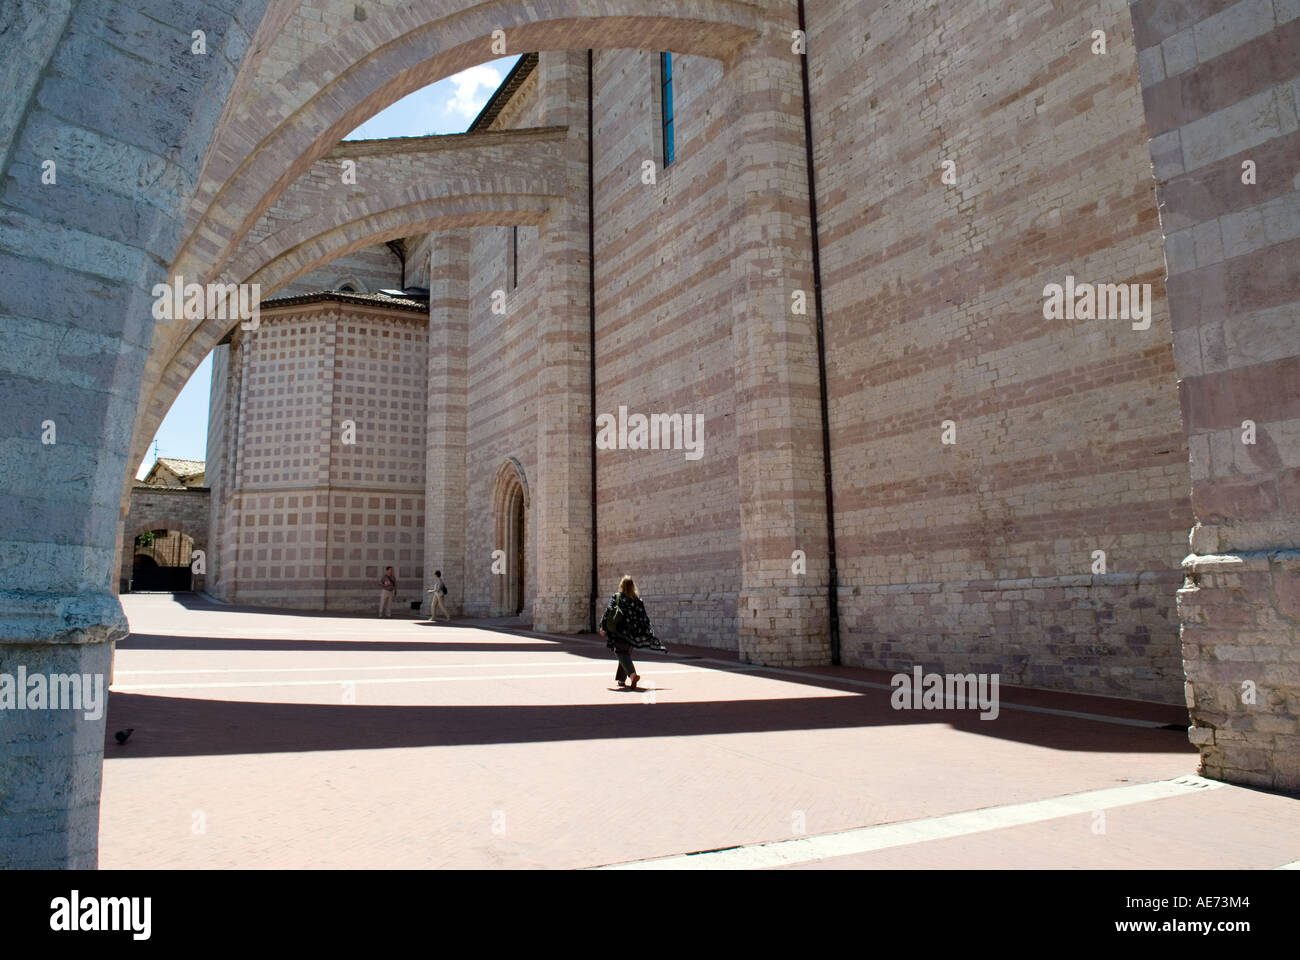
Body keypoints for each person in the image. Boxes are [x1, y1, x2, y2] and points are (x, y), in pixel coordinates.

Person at [597, 574, 665, 690]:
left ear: (621, 585)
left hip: (619, 631)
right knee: (625, 653)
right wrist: (646, 631)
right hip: (633, 633)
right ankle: (621, 680)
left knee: (620, 652)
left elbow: (609, 611)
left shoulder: (617, 597)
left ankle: (632, 675)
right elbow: (644, 617)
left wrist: (603, 627)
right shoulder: (637, 600)